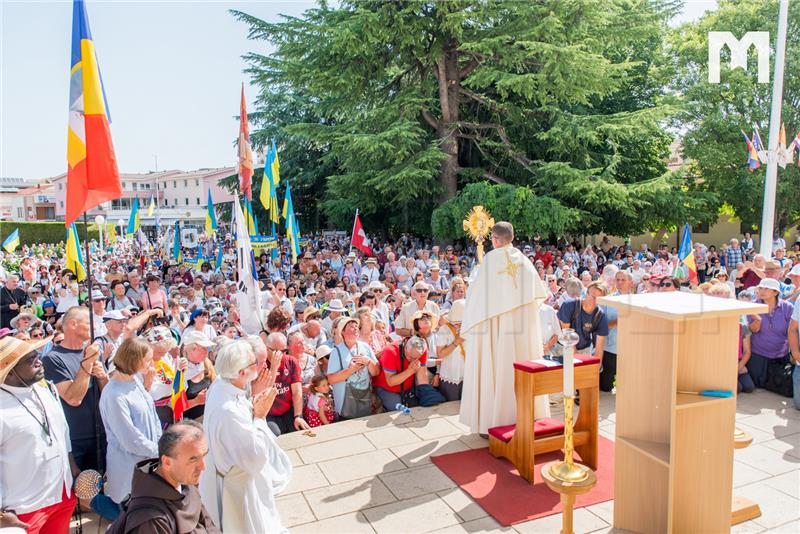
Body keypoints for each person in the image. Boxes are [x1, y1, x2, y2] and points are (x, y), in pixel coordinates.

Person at [459, 222, 550, 435]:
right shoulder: (525, 261)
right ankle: (529, 416)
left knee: (496, 367)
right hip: (521, 331)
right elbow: (536, 298)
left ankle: (491, 421)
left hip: (496, 330)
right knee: (521, 365)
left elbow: (476, 298)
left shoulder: (490, 260)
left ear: (495, 240)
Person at [200, 339, 292, 534]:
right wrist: (259, 416)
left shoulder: (220, 383)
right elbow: (256, 457)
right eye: (254, 363)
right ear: (242, 373)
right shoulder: (229, 411)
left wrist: (252, 405)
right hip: (236, 481)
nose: (260, 366)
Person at [0, 336, 79, 534]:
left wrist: (73, 471)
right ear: (9, 372)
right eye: (29, 360)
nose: (39, 361)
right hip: (22, 509)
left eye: (37, 355)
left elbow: (63, 434)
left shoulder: (45, 390)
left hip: (62, 497)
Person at [107, 420, 220, 534]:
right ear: (167, 462)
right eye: (193, 459)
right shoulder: (149, 520)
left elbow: (210, 527)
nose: (203, 467)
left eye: (204, 456)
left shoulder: (185, 484)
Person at [41, 306, 109, 472]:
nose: (94, 328)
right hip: (76, 441)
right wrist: (87, 363)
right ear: (73, 324)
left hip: (101, 434)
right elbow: (73, 398)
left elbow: (107, 393)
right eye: (89, 323)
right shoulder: (53, 359)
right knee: (82, 492)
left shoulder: (92, 352)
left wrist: (102, 377)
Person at [99, 337, 162, 514]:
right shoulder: (114, 395)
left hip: (148, 465)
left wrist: (160, 443)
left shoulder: (135, 381)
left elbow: (152, 414)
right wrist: (161, 451)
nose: (151, 365)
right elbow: (130, 440)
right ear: (134, 359)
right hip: (130, 473)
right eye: (148, 360)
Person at [326, 316, 380, 419]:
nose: (356, 328)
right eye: (351, 326)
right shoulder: (336, 352)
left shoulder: (365, 347)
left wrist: (368, 362)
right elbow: (331, 379)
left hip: (365, 398)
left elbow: (376, 371)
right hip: (345, 404)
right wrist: (351, 370)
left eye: (356, 326)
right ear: (343, 332)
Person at [747, 278, 793, 389]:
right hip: (758, 354)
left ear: (776, 292)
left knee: (782, 383)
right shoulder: (753, 306)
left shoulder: (787, 307)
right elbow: (753, 330)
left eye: (766, 289)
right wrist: (758, 320)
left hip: (781, 355)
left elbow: (792, 331)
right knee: (758, 384)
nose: (762, 291)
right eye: (760, 288)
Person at [263, 332, 310, 435]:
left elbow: (297, 392)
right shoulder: (262, 364)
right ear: (267, 349)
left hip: (288, 410)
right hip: (269, 413)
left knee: (301, 431)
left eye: (284, 351)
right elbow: (264, 393)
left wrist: (298, 416)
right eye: (276, 351)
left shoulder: (291, 362)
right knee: (274, 434)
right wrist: (274, 368)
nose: (280, 354)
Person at [373, 336, 429, 411]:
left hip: (407, 389)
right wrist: (410, 371)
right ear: (405, 347)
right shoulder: (390, 351)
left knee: (420, 405)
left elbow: (422, 377)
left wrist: (425, 395)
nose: (413, 360)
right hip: (386, 388)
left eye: (416, 358)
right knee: (399, 410)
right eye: (411, 357)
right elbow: (391, 382)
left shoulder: (421, 349)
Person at [436, 299, 466, 401]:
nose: (459, 325)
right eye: (457, 322)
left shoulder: (471, 328)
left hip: (467, 375)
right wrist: (456, 342)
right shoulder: (444, 329)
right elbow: (440, 354)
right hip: (450, 375)